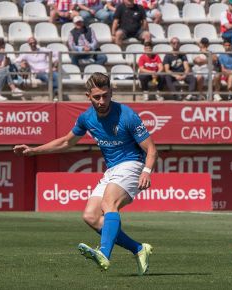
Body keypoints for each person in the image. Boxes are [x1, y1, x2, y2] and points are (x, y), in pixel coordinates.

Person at [13, 72, 158, 275]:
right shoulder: (87, 118)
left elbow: (151, 149)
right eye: (97, 97)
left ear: (111, 93)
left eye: (106, 95)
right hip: (112, 170)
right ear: (88, 96)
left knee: (109, 204)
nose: (102, 101)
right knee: (90, 216)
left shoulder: (127, 115)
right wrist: (34, 150)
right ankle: (138, 248)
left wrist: (147, 171)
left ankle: (104, 254)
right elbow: (66, 141)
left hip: (132, 164)